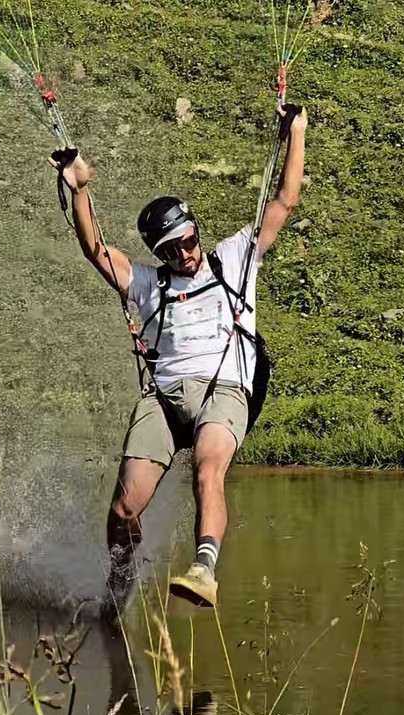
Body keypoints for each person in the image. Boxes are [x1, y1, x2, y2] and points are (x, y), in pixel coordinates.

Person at [49, 107, 307, 609]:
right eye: (172, 250)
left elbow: (284, 200)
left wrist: (295, 132)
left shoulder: (235, 259)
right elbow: (96, 249)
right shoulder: (148, 284)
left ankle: (204, 570)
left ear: (196, 231)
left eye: (189, 241)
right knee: (123, 509)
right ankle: (120, 583)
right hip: (164, 399)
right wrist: (79, 189)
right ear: (159, 254)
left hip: (224, 390)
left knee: (207, 471)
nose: (185, 254)